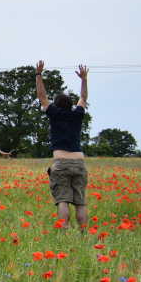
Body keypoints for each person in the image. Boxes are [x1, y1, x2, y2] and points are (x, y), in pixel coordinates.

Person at [36, 61, 89, 229]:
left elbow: (42, 97)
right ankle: (83, 232)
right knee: (80, 201)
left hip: (61, 162)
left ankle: (64, 230)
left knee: (63, 199)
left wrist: (38, 75)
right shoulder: (77, 114)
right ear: (70, 104)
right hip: (79, 163)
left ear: (56, 104)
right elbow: (83, 98)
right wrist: (84, 79)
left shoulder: (54, 113)